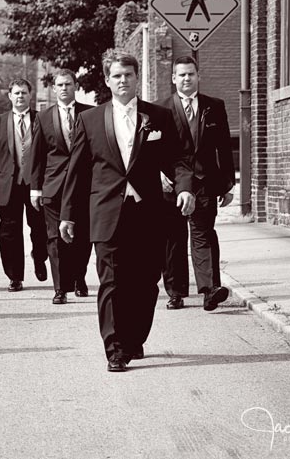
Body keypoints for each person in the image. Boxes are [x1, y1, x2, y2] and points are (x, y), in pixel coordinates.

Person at [59, 50, 195, 372]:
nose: (123, 81)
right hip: (107, 213)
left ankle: (135, 339)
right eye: (117, 76)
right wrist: (67, 214)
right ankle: (115, 349)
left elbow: (178, 159)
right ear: (107, 80)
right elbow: (76, 172)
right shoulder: (90, 120)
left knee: (146, 282)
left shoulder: (158, 117)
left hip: (148, 213)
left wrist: (185, 187)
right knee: (111, 282)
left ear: (137, 78)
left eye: (128, 75)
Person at [156, 56, 235, 312]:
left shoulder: (214, 107)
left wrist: (227, 184)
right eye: (182, 75)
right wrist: (159, 175)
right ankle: (176, 292)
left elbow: (223, 147)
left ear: (198, 76)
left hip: (204, 182)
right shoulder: (162, 109)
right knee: (173, 238)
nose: (186, 78)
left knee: (203, 234)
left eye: (191, 74)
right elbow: (153, 149)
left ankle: (210, 290)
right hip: (172, 183)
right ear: (173, 79)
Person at [30, 69, 93, 304]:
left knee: (83, 236)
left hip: (84, 185)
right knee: (54, 237)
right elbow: (36, 155)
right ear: (54, 89)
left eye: (68, 84)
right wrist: (35, 189)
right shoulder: (43, 117)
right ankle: (60, 287)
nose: (64, 88)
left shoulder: (90, 114)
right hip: (53, 186)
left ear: (75, 86)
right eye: (60, 85)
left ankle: (79, 277)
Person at [0, 78, 48, 292]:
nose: (20, 97)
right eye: (16, 93)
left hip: (34, 184)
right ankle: (14, 276)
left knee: (39, 228)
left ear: (30, 96)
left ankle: (39, 257)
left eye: (24, 93)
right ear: (10, 96)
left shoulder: (42, 119)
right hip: (8, 184)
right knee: (8, 231)